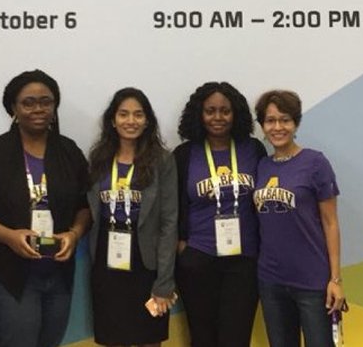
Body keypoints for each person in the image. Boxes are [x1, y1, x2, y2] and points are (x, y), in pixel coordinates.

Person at [0, 70, 90, 347]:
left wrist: (75, 234)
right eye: (28, 102)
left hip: (58, 271)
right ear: (14, 108)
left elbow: (84, 206)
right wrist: (9, 236)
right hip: (7, 270)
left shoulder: (68, 150)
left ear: (55, 106)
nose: (38, 109)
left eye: (46, 101)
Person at [172, 82, 266, 347]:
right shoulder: (184, 154)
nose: (217, 117)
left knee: (236, 338)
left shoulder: (253, 149)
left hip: (244, 261)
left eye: (225, 111)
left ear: (235, 114)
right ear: (199, 115)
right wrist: (182, 247)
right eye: (210, 111)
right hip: (198, 258)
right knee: (202, 338)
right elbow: (173, 207)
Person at [252, 90, 345, 347]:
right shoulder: (261, 166)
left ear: (296, 123)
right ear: (262, 125)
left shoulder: (315, 163)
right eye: (270, 121)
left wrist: (335, 279)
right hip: (270, 280)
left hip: (312, 282)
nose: (278, 127)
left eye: (285, 120)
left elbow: (331, 222)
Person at [87, 87, 178, 347]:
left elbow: (169, 222)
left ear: (147, 120)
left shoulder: (162, 160)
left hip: (146, 263)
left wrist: (164, 281)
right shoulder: (98, 159)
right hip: (107, 262)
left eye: (138, 115)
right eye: (124, 114)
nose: (131, 121)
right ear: (112, 120)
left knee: (148, 337)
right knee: (113, 338)